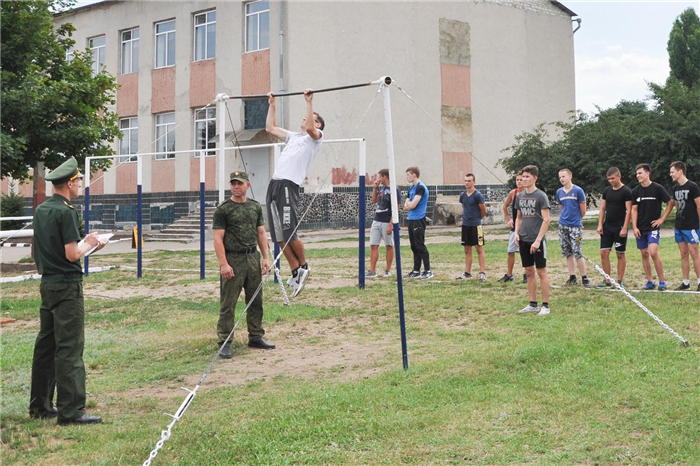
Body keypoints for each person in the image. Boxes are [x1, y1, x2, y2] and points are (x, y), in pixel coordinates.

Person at [30, 156, 107, 426]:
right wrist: (90, 244)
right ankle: (71, 411)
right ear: (70, 183)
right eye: (78, 181)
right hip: (67, 287)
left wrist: (88, 245)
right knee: (70, 348)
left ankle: (40, 405)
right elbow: (72, 254)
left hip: (48, 284)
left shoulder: (42, 210)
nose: (80, 186)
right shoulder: (67, 211)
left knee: (46, 345)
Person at [265, 89, 324, 298]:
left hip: (289, 186)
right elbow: (270, 127)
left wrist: (309, 102)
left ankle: (304, 265)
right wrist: (272, 104)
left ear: (318, 125)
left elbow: (309, 126)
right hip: (275, 184)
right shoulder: (293, 137)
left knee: (289, 231)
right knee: (278, 236)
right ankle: (295, 270)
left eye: (311, 119)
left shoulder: (315, 138)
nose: (305, 120)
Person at [214, 171, 274, 358]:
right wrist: (224, 264)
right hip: (233, 259)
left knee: (256, 300)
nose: (236, 186)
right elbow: (217, 238)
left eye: (239, 183)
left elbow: (261, 234)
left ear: (247, 185)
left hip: (252, 258)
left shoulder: (254, 207)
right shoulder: (223, 209)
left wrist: (265, 257)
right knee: (228, 302)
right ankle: (225, 341)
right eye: (233, 183)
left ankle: (256, 336)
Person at [514, 165, 551, 316]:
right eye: (523, 176)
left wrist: (538, 240)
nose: (524, 179)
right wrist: (516, 233)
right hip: (523, 239)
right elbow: (519, 217)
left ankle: (546, 305)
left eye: (527, 177)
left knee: (541, 271)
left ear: (535, 178)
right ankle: (532, 304)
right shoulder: (519, 197)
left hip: (537, 240)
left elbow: (546, 220)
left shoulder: (541, 196)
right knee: (529, 271)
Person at [631, 163, 673, 291]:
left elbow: (670, 202)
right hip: (640, 227)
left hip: (653, 227)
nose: (638, 176)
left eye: (640, 173)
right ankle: (650, 281)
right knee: (644, 253)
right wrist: (634, 227)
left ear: (647, 173)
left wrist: (662, 219)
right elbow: (634, 209)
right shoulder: (636, 191)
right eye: (637, 174)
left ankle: (662, 282)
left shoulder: (658, 188)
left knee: (653, 253)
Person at [595, 167, 633, 288]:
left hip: (620, 227)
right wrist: (600, 224)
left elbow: (629, 210)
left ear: (619, 176)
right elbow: (602, 208)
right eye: (608, 179)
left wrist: (625, 227)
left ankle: (620, 281)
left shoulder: (626, 191)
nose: (610, 181)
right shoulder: (607, 191)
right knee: (604, 253)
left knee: (620, 254)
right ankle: (607, 280)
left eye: (612, 178)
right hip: (608, 227)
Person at [556, 169, 590, 287]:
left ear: (570, 176)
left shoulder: (578, 191)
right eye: (560, 177)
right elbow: (561, 207)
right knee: (567, 252)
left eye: (563, 176)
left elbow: (583, 209)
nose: (562, 179)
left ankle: (584, 277)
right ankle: (572, 276)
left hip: (575, 226)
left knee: (577, 251)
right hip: (563, 225)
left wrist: (578, 220)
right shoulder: (559, 192)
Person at [669, 161, 700, 291]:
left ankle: (699, 281)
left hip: (691, 226)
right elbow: (676, 204)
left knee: (694, 253)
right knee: (683, 254)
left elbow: (699, 205)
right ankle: (686, 282)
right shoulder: (675, 188)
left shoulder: (693, 186)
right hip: (679, 226)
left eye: (672, 172)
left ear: (680, 171)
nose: (670, 174)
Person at [366, 169, 400, 278]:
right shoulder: (381, 188)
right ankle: (372, 270)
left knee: (389, 245)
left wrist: (391, 224)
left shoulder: (395, 189)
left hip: (386, 220)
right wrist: (375, 188)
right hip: (377, 219)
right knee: (373, 245)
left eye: (379, 177)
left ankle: (388, 270)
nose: (378, 179)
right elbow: (374, 201)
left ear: (385, 177)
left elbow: (397, 207)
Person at [455, 173, 487, 282]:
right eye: (465, 181)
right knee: (467, 249)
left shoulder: (478, 195)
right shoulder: (463, 195)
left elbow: (483, 210)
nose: (467, 183)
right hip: (466, 226)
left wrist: (478, 219)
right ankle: (467, 272)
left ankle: (482, 272)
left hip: (476, 226)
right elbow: (464, 206)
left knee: (479, 248)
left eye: (469, 181)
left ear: (474, 182)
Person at [403, 166, 432, 280]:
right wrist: (408, 205)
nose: (407, 177)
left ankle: (428, 270)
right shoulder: (411, 188)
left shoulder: (421, 187)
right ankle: (416, 270)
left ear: (414, 175)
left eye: (408, 175)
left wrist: (409, 205)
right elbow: (406, 205)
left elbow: (412, 204)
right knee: (414, 246)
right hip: (411, 218)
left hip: (419, 219)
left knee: (420, 245)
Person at [499, 171, 526, 283]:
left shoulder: (529, 193)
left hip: (526, 227)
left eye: (521, 180)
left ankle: (527, 274)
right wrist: (508, 219)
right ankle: (509, 274)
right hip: (515, 227)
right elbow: (505, 206)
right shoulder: (513, 193)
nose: (519, 182)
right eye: (517, 180)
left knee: (525, 252)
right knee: (511, 251)